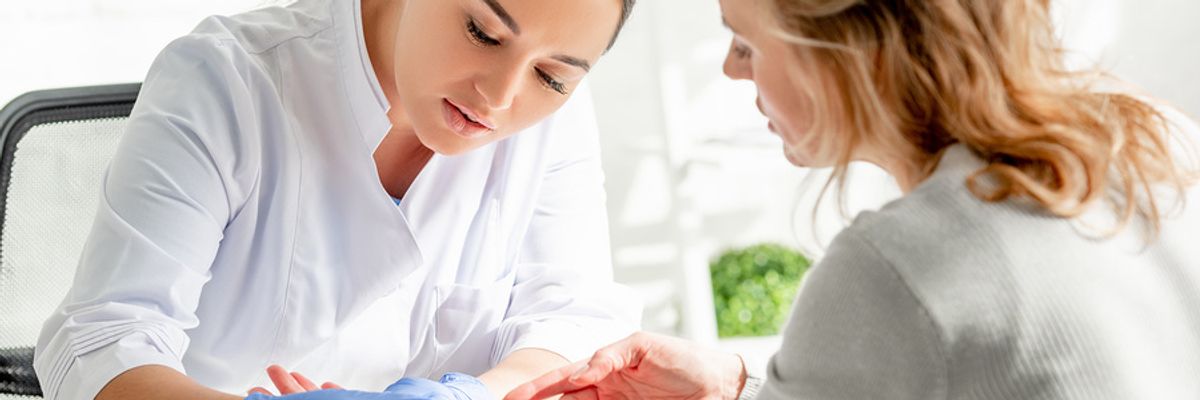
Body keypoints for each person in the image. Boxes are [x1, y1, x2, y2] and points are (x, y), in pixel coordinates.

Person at [506, 0, 1200, 399]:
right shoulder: (1158, 137)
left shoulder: (893, 266)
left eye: (745, 41)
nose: (729, 67)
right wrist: (735, 386)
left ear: (843, 50)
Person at [33, 0, 640, 399]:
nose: (500, 96)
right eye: (483, 32)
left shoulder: (553, 122)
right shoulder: (227, 81)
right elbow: (101, 339)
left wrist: (471, 393)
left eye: (551, 77)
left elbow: (574, 319)